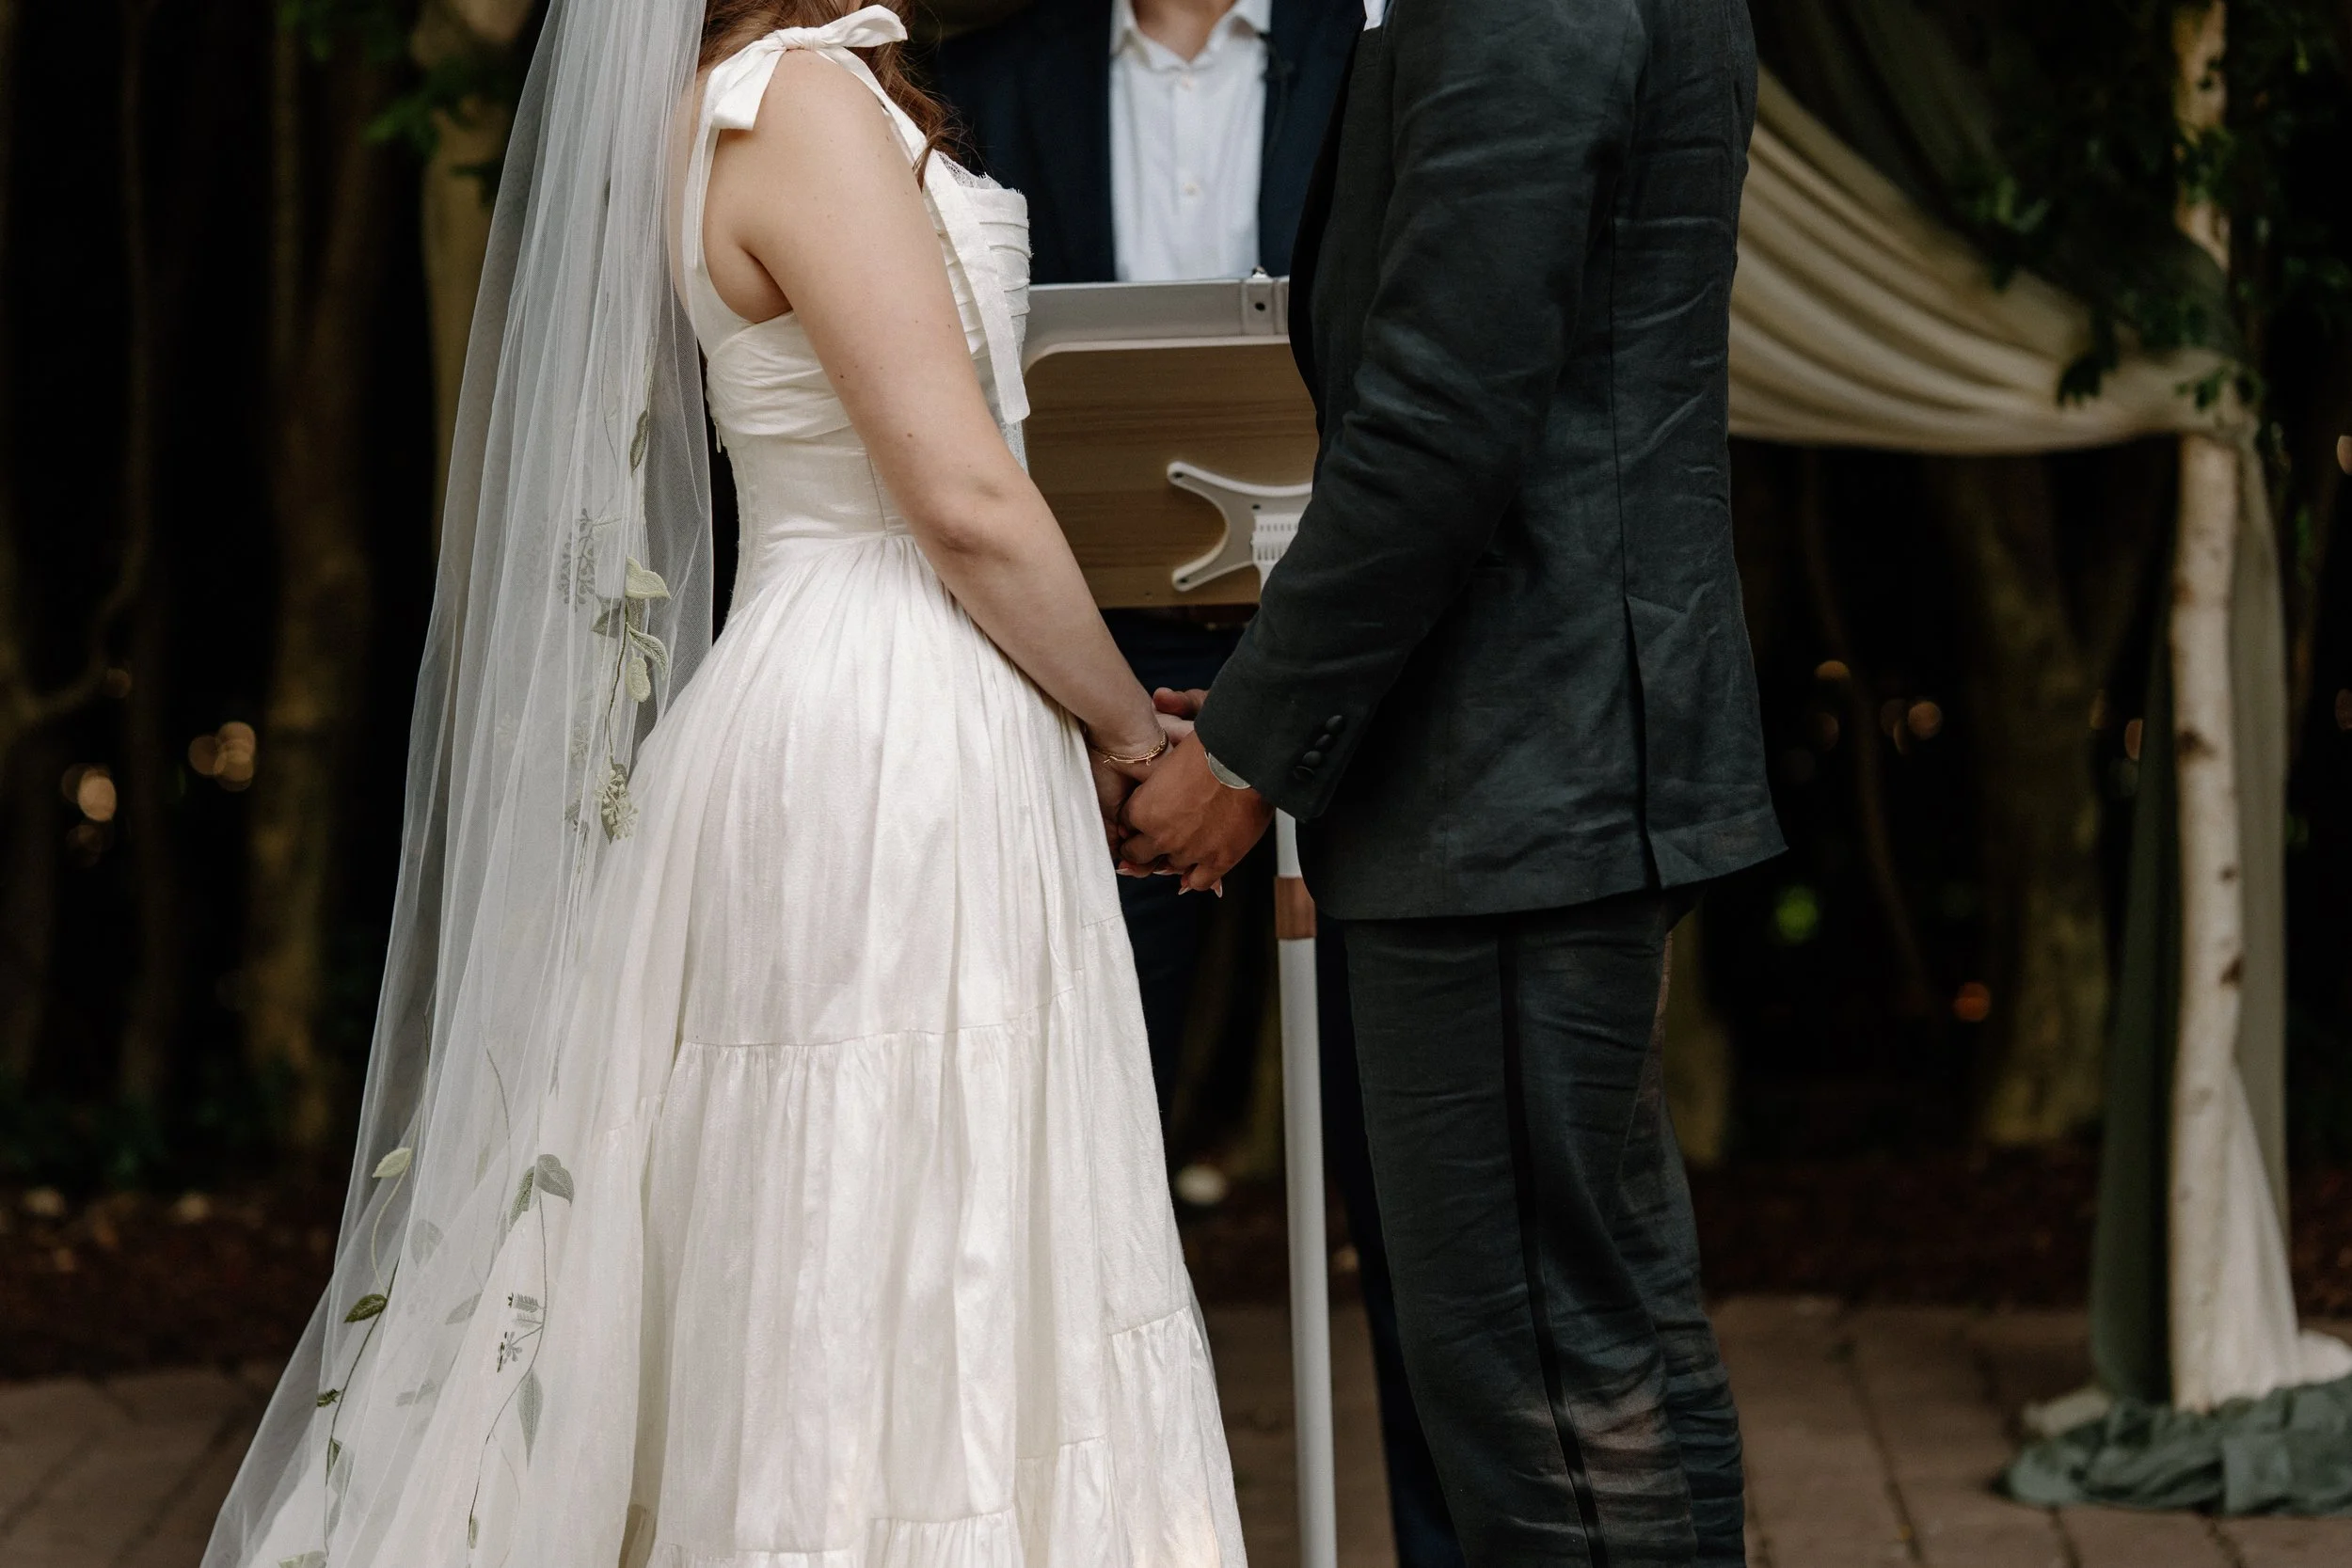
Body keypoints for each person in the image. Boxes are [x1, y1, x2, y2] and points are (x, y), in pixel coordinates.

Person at [203, 2, 1246, 1564]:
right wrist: (1134, 735)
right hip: (884, 720)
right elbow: (962, 499)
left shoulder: (750, 96)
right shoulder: (797, 104)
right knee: (879, 1222)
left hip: (887, 686)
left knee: (860, 1210)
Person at [1120, 0, 1783, 1561]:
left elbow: (1441, 423)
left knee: (1537, 1382)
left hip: (1508, 784)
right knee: (1606, 1343)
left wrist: (1246, 747)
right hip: (1537, 761)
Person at [935, 10, 1463, 1568]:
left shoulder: (1370, 44)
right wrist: (1114, 713)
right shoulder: (991, 73)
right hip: (1085, 676)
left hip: (1364, 665)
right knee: (1071, 1137)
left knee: (1416, 1179)